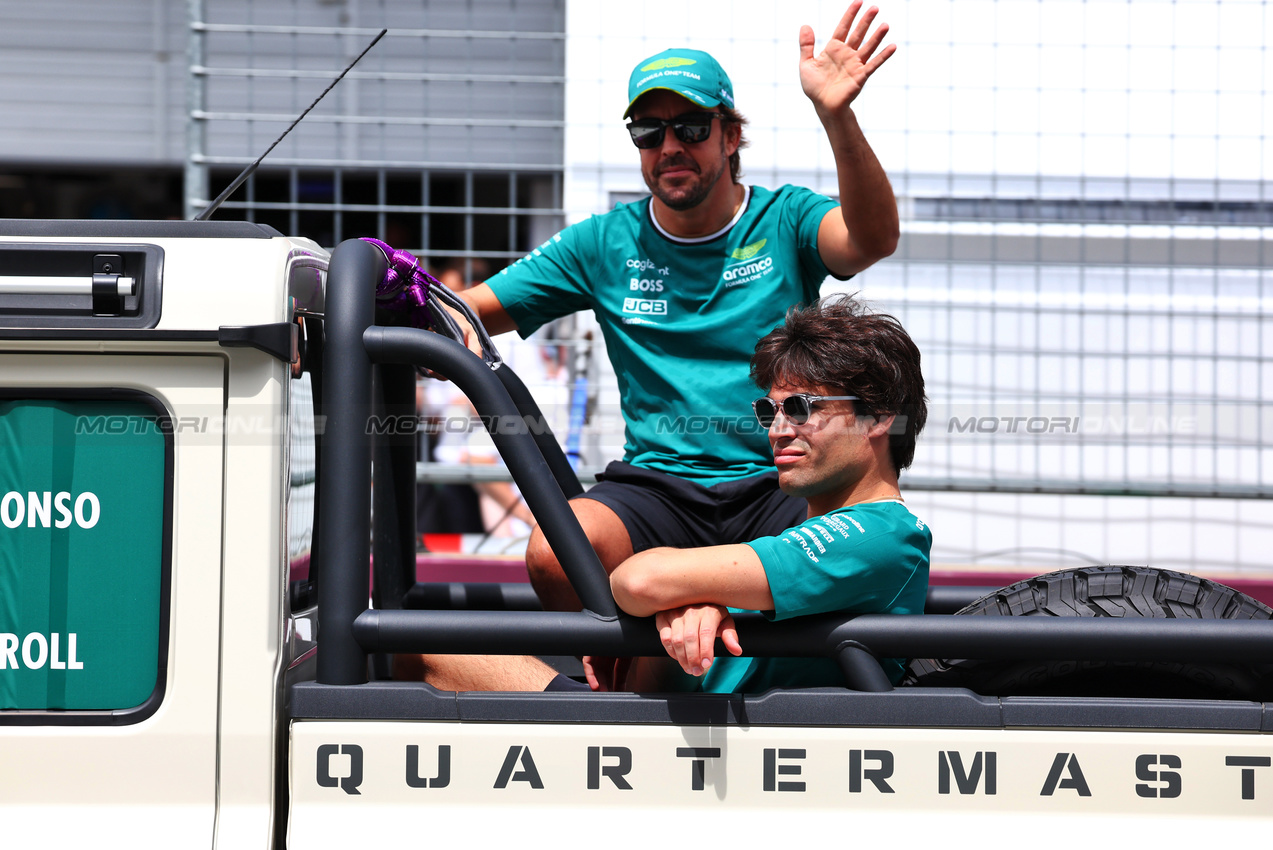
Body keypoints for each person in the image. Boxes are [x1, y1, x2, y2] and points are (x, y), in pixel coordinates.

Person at [456, 3, 901, 611]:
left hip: (779, 480)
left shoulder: (786, 218)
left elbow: (871, 239)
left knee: (832, 572)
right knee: (556, 554)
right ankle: (615, 693)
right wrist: (370, 303)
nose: (669, 146)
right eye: (649, 131)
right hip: (659, 487)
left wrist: (836, 115)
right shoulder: (603, 243)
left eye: (691, 127)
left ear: (730, 134)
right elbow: (465, 311)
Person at [399, 295, 930, 693]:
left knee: (413, 649)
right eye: (770, 411)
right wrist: (701, 601)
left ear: (880, 417)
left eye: (802, 408)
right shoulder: (826, 535)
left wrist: (695, 595)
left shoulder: (878, 533)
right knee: (416, 645)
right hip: (662, 733)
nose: (778, 429)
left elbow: (640, 577)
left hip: (679, 746)